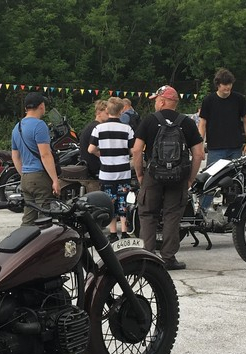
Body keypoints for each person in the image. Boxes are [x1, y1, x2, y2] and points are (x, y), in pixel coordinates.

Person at [132, 85, 204, 271]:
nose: (155, 103)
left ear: (163, 101)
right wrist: (190, 178)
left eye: (156, 100)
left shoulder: (149, 120)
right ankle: (169, 258)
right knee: (172, 215)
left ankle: (147, 257)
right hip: (178, 177)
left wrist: (140, 173)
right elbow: (199, 154)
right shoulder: (187, 122)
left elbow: (137, 150)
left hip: (153, 175)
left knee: (148, 214)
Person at [198, 68, 246, 209]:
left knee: (235, 182)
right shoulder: (209, 100)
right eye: (224, 84)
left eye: (229, 84)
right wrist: (200, 146)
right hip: (215, 148)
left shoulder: (239, 99)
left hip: (235, 147)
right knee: (210, 180)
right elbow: (202, 124)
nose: (227, 87)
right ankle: (202, 211)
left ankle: (235, 213)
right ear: (218, 84)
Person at [11, 92, 59, 225]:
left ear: (26, 108)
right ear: (41, 106)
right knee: (45, 218)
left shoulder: (17, 127)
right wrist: (55, 180)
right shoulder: (40, 125)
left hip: (25, 177)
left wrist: (23, 174)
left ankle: (24, 238)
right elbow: (45, 155)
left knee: (28, 219)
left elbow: (15, 156)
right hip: (40, 176)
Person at [88, 97, 134, 236]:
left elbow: (91, 149)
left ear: (107, 110)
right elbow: (133, 150)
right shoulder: (127, 129)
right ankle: (124, 231)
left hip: (107, 173)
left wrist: (102, 154)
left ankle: (113, 232)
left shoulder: (99, 128)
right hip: (123, 172)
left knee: (110, 202)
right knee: (123, 201)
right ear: (121, 111)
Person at [79, 100, 109, 182]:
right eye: (107, 113)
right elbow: (93, 149)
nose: (109, 116)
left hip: (87, 164)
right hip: (94, 166)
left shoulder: (91, 126)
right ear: (99, 113)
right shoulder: (97, 128)